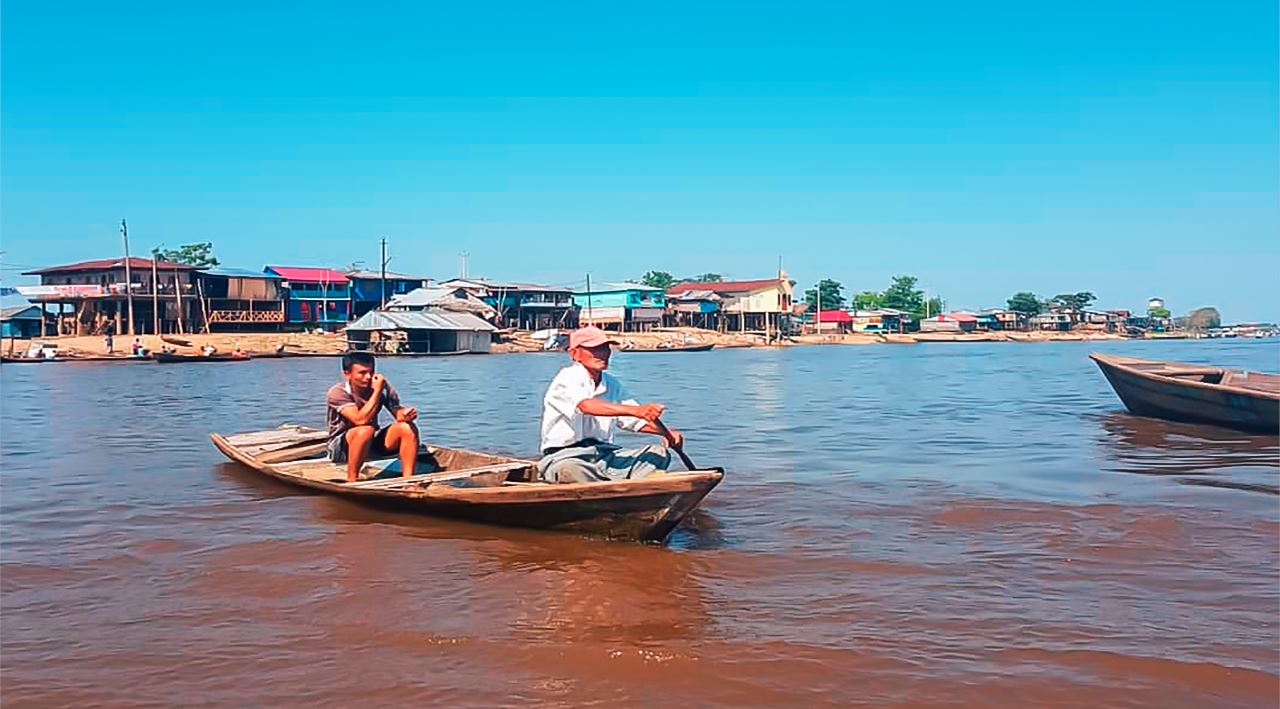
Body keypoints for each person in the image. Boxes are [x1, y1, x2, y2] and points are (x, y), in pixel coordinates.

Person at [537, 326, 684, 483]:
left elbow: (634, 421)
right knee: (570, 468)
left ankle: (633, 493)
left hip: (605, 455)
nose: (602, 354)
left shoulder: (611, 383)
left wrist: (666, 433)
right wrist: (636, 410)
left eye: (605, 348)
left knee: (657, 453)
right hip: (565, 456)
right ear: (574, 353)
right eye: (594, 349)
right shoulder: (568, 377)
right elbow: (586, 406)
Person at [326, 351, 421, 483]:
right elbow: (360, 420)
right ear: (347, 374)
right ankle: (352, 480)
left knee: (406, 428)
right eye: (362, 373)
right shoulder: (338, 392)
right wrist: (376, 392)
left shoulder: (382, 387)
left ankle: (408, 481)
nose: (368, 377)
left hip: (371, 441)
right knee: (365, 429)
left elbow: (397, 414)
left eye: (371, 372)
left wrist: (406, 415)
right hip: (340, 449)